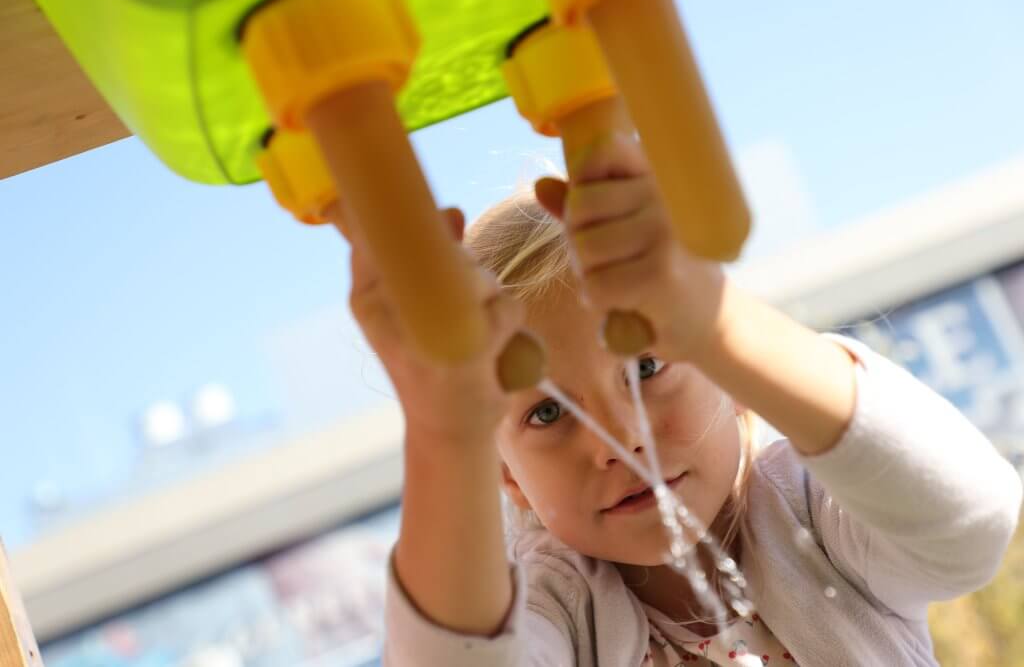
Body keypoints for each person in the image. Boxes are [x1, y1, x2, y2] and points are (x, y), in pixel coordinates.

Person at [343, 134, 1022, 666]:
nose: (619, 438)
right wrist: (443, 435)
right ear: (507, 478)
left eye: (646, 365)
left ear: (732, 379)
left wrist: (720, 323)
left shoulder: (814, 520)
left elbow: (969, 523)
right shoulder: (560, 610)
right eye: (547, 411)